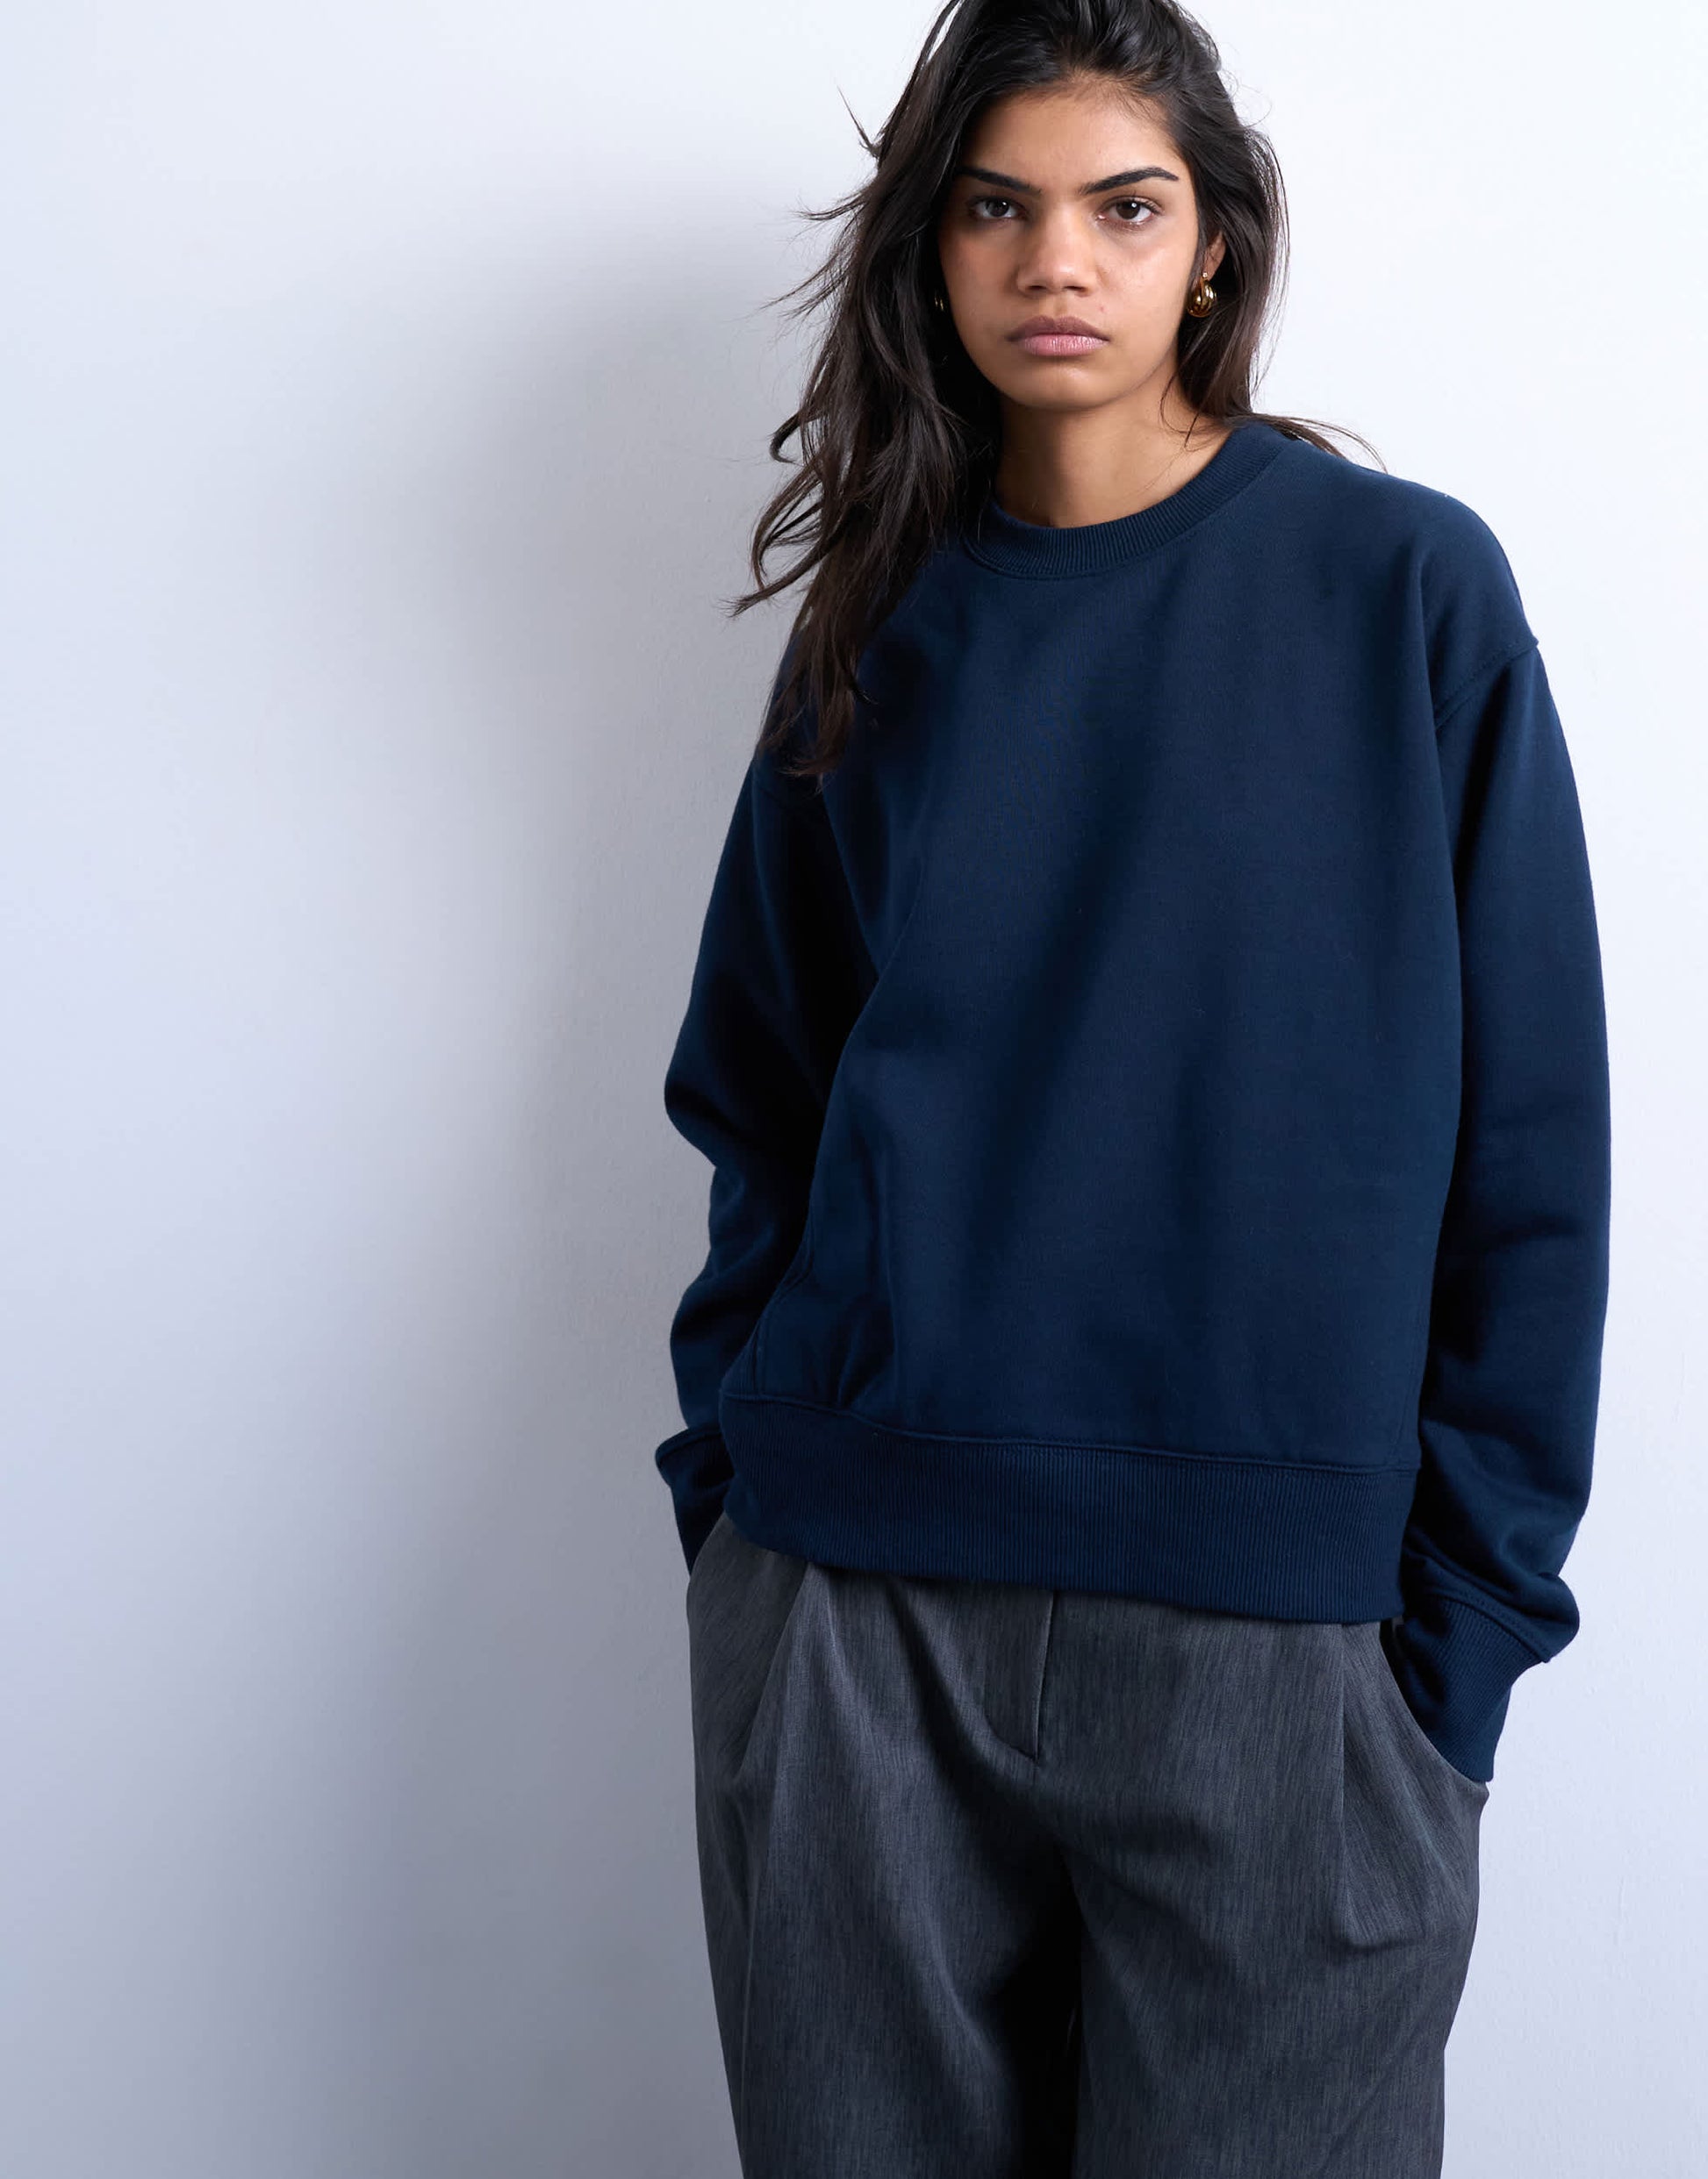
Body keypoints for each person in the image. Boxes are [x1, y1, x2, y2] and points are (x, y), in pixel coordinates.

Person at [652, 4, 1612, 2173]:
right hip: (856, 1606)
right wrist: (739, 1506)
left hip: (1287, 1641)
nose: (1054, 262)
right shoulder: (874, 626)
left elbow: (1533, 1153)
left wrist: (1456, 1647)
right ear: (930, 250)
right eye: (995, 208)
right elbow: (758, 1086)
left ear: (1213, 245)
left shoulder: (1403, 590)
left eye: (1122, 206)